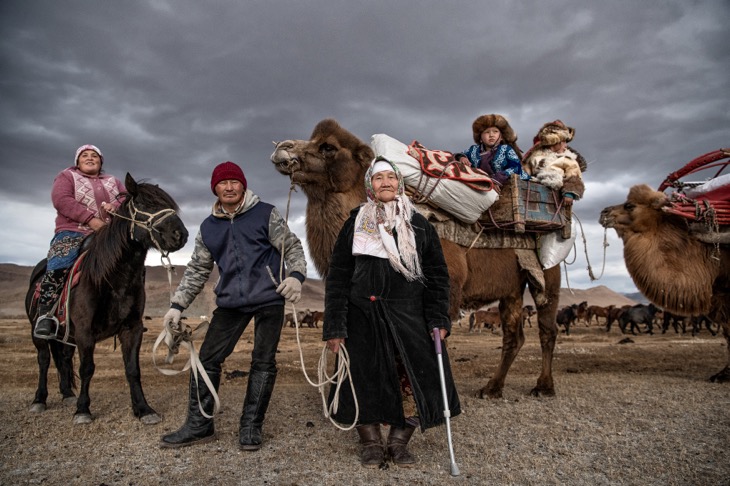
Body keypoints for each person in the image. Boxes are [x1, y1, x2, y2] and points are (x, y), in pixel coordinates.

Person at [323, 157, 461, 468]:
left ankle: (399, 442)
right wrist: (334, 326)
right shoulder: (356, 222)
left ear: (399, 182)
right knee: (361, 379)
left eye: (390, 177)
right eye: (378, 178)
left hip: (409, 316)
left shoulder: (419, 224)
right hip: (362, 316)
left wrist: (439, 319)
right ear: (369, 185)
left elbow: (438, 275)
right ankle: (371, 442)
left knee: (413, 378)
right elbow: (339, 275)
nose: (385, 183)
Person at [159, 161, 307, 450]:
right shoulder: (208, 227)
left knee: (263, 361)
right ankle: (199, 425)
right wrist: (177, 305)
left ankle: (251, 427)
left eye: (234, 182)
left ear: (243, 185)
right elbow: (198, 269)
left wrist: (297, 276)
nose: (229, 187)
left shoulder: (266, 213)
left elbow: (291, 246)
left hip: (268, 297)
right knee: (206, 360)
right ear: (215, 188)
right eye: (222, 183)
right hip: (230, 303)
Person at [34, 144, 125, 339]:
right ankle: (46, 315)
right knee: (61, 260)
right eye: (85, 155)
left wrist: (115, 206)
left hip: (109, 234)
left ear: (101, 162)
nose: (90, 158)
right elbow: (61, 200)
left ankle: (129, 315)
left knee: (130, 262)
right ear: (77, 161)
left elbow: (126, 198)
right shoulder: (67, 176)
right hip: (73, 231)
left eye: (95, 156)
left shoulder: (113, 181)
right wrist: (91, 220)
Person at [522, 120, 587, 205]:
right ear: (554, 141)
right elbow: (526, 171)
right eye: (563, 142)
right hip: (534, 196)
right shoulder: (535, 157)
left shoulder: (567, 158)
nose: (566, 146)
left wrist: (569, 192)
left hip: (556, 197)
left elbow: (574, 175)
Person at [455, 113, 530, 186]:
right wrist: (462, 158)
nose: (491, 135)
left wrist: (498, 178)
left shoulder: (506, 149)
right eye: (487, 132)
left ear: (501, 137)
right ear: (480, 138)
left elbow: (515, 167)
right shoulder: (473, 150)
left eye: (495, 131)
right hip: (479, 184)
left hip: (503, 185)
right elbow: (458, 155)